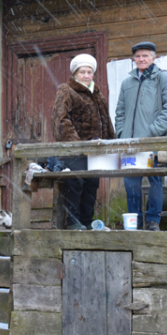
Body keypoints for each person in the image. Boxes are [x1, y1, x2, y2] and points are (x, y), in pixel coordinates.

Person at [115, 42, 167, 231]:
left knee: (154, 181)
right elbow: (119, 111)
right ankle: (134, 222)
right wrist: (121, 132)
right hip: (129, 144)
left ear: (153, 58)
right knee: (131, 183)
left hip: (152, 142)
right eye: (138, 56)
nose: (141, 59)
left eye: (145, 56)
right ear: (134, 59)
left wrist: (154, 130)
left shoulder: (163, 78)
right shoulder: (127, 82)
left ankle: (153, 221)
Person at [51, 53, 115, 230]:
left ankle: (87, 222)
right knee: (75, 183)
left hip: (95, 151)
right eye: (82, 72)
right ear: (75, 74)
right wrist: (77, 145)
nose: (86, 76)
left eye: (89, 72)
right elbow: (61, 120)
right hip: (75, 151)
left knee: (91, 185)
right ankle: (72, 222)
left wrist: (110, 144)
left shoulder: (98, 96)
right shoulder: (67, 91)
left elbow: (106, 123)